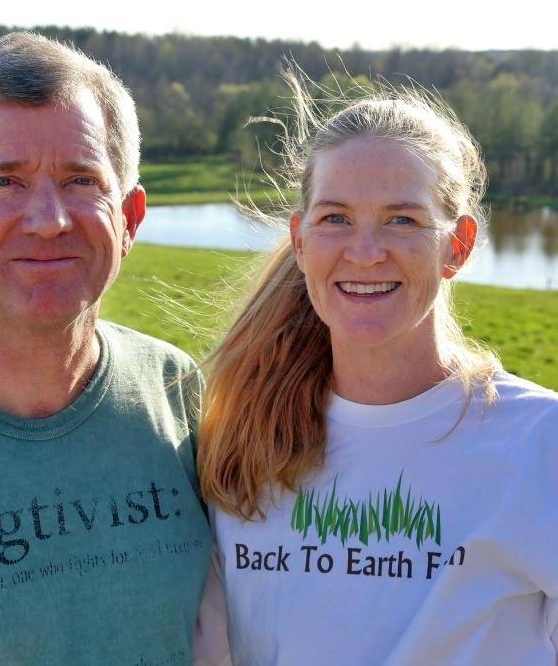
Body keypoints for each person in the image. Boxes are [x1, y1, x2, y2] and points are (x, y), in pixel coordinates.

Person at [195, 74, 558, 664]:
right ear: (301, 238)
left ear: (458, 246)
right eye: (335, 218)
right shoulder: (236, 442)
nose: (364, 252)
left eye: (403, 220)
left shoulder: (540, 443)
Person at [0, 32, 210, 665]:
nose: (48, 219)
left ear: (131, 220)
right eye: (4, 181)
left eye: (81, 180)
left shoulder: (179, 393)